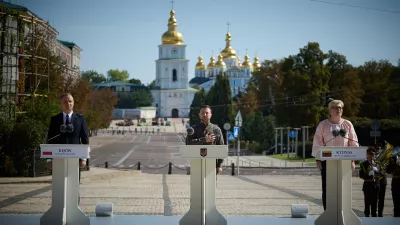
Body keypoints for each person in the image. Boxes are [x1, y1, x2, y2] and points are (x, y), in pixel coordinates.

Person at [312, 99, 357, 210]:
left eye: (340, 108)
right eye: (336, 108)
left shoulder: (347, 124)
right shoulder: (323, 125)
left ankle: (343, 211)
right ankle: (328, 212)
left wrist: (352, 160)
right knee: (328, 189)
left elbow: (353, 142)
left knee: (343, 189)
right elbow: (317, 143)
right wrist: (318, 159)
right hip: (327, 163)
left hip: (345, 162)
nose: (339, 110)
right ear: (329, 110)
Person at [47, 93, 89, 204]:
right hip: (58, 159)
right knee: (59, 184)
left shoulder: (80, 119)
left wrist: (84, 158)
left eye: (70, 101)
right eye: (65, 101)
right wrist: (49, 159)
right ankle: (59, 206)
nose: (68, 103)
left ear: (73, 103)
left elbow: (85, 140)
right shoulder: (55, 120)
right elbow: (50, 140)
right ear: (61, 104)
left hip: (74, 160)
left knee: (74, 184)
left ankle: (75, 205)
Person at [186, 105, 224, 174]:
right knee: (197, 184)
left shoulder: (216, 129)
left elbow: (221, 147)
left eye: (207, 113)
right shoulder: (193, 129)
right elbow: (188, 143)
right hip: (196, 162)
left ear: (211, 115)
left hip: (212, 163)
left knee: (211, 184)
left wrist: (219, 165)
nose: (204, 114)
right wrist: (204, 140)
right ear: (199, 115)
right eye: (202, 113)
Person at [359, 147, 379, 217]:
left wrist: (377, 172)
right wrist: (368, 174)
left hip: (375, 186)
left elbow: (382, 174)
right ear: (367, 155)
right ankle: (367, 218)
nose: (371, 156)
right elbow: (361, 175)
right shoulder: (363, 164)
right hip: (367, 185)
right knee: (367, 204)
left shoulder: (377, 163)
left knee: (374, 204)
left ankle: (374, 218)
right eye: (370, 154)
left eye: (373, 154)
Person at [373, 144, 387, 217]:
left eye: (378, 149)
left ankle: (380, 213)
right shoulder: (373, 158)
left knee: (382, 198)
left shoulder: (384, 158)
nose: (377, 150)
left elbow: (386, 169)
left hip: (382, 180)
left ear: (381, 150)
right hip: (375, 181)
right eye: (376, 149)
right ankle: (374, 214)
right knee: (375, 198)